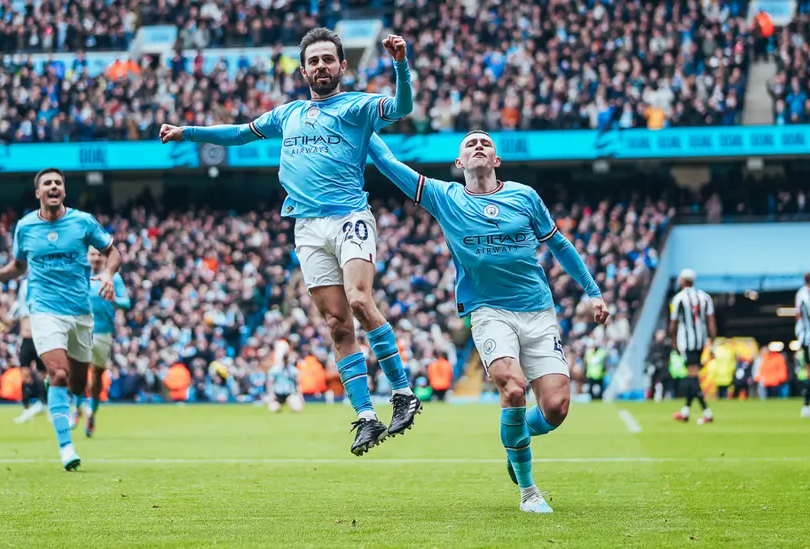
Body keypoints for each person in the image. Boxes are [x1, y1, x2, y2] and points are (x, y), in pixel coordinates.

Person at [159, 28, 419, 456]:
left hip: (349, 216)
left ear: (341, 66)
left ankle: (404, 393)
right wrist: (186, 132)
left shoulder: (357, 106)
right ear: (303, 70)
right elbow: (239, 133)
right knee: (337, 325)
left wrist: (401, 65)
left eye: (327, 60)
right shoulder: (288, 114)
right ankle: (367, 417)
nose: (320, 66)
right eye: (313, 61)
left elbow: (402, 107)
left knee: (358, 300)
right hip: (306, 227)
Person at [367, 132, 609, 514]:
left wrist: (592, 291)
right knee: (512, 389)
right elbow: (392, 167)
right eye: (470, 144)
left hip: (537, 310)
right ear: (460, 163)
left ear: (496, 160)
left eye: (486, 143)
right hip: (488, 310)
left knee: (557, 407)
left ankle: (515, 438)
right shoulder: (445, 197)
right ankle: (529, 493)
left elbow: (559, 244)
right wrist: (364, 129)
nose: (479, 145)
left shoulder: (524, 196)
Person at [0, 168, 120, 471]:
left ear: (64, 192)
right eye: (48, 183)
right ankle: (66, 447)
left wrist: (108, 274)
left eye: (58, 183)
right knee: (56, 373)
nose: (54, 186)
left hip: (81, 313)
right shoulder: (26, 227)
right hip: (44, 310)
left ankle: (72, 406)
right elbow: (18, 265)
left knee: (78, 382)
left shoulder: (82, 222)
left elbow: (112, 251)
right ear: (38, 193)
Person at [79, 246, 131, 437]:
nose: (96, 258)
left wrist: (114, 298)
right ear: (87, 256)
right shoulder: (80, 276)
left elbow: (127, 302)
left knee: (97, 376)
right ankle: (77, 407)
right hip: (81, 329)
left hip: (103, 332)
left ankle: (91, 411)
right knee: (77, 369)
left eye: (99, 254)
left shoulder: (114, 278)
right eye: (92, 254)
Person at [669, 269, 716, 425]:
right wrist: (712, 342)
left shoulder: (679, 299)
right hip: (701, 341)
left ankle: (707, 412)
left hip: (686, 342)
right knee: (692, 375)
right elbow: (711, 321)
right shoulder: (705, 297)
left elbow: (673, 323)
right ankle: (685, 411)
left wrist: (673, 341)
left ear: (683, 280)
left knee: (692, 376)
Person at [7, 278, 49, 424]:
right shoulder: (21, 307)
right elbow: (12, 315)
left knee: (45, 376)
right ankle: (26, 408)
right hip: (26, 341)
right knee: (24, 375)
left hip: (39, 340)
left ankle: (47, 405)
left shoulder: (41, 305)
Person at [795, 273, 810, 417]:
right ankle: (806, 404)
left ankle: (806, 405)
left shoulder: (801, 294)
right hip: (806, 338)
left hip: (805, 339)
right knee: (808, 372)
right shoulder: (802, 295)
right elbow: (799, 316)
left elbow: (797, 316)